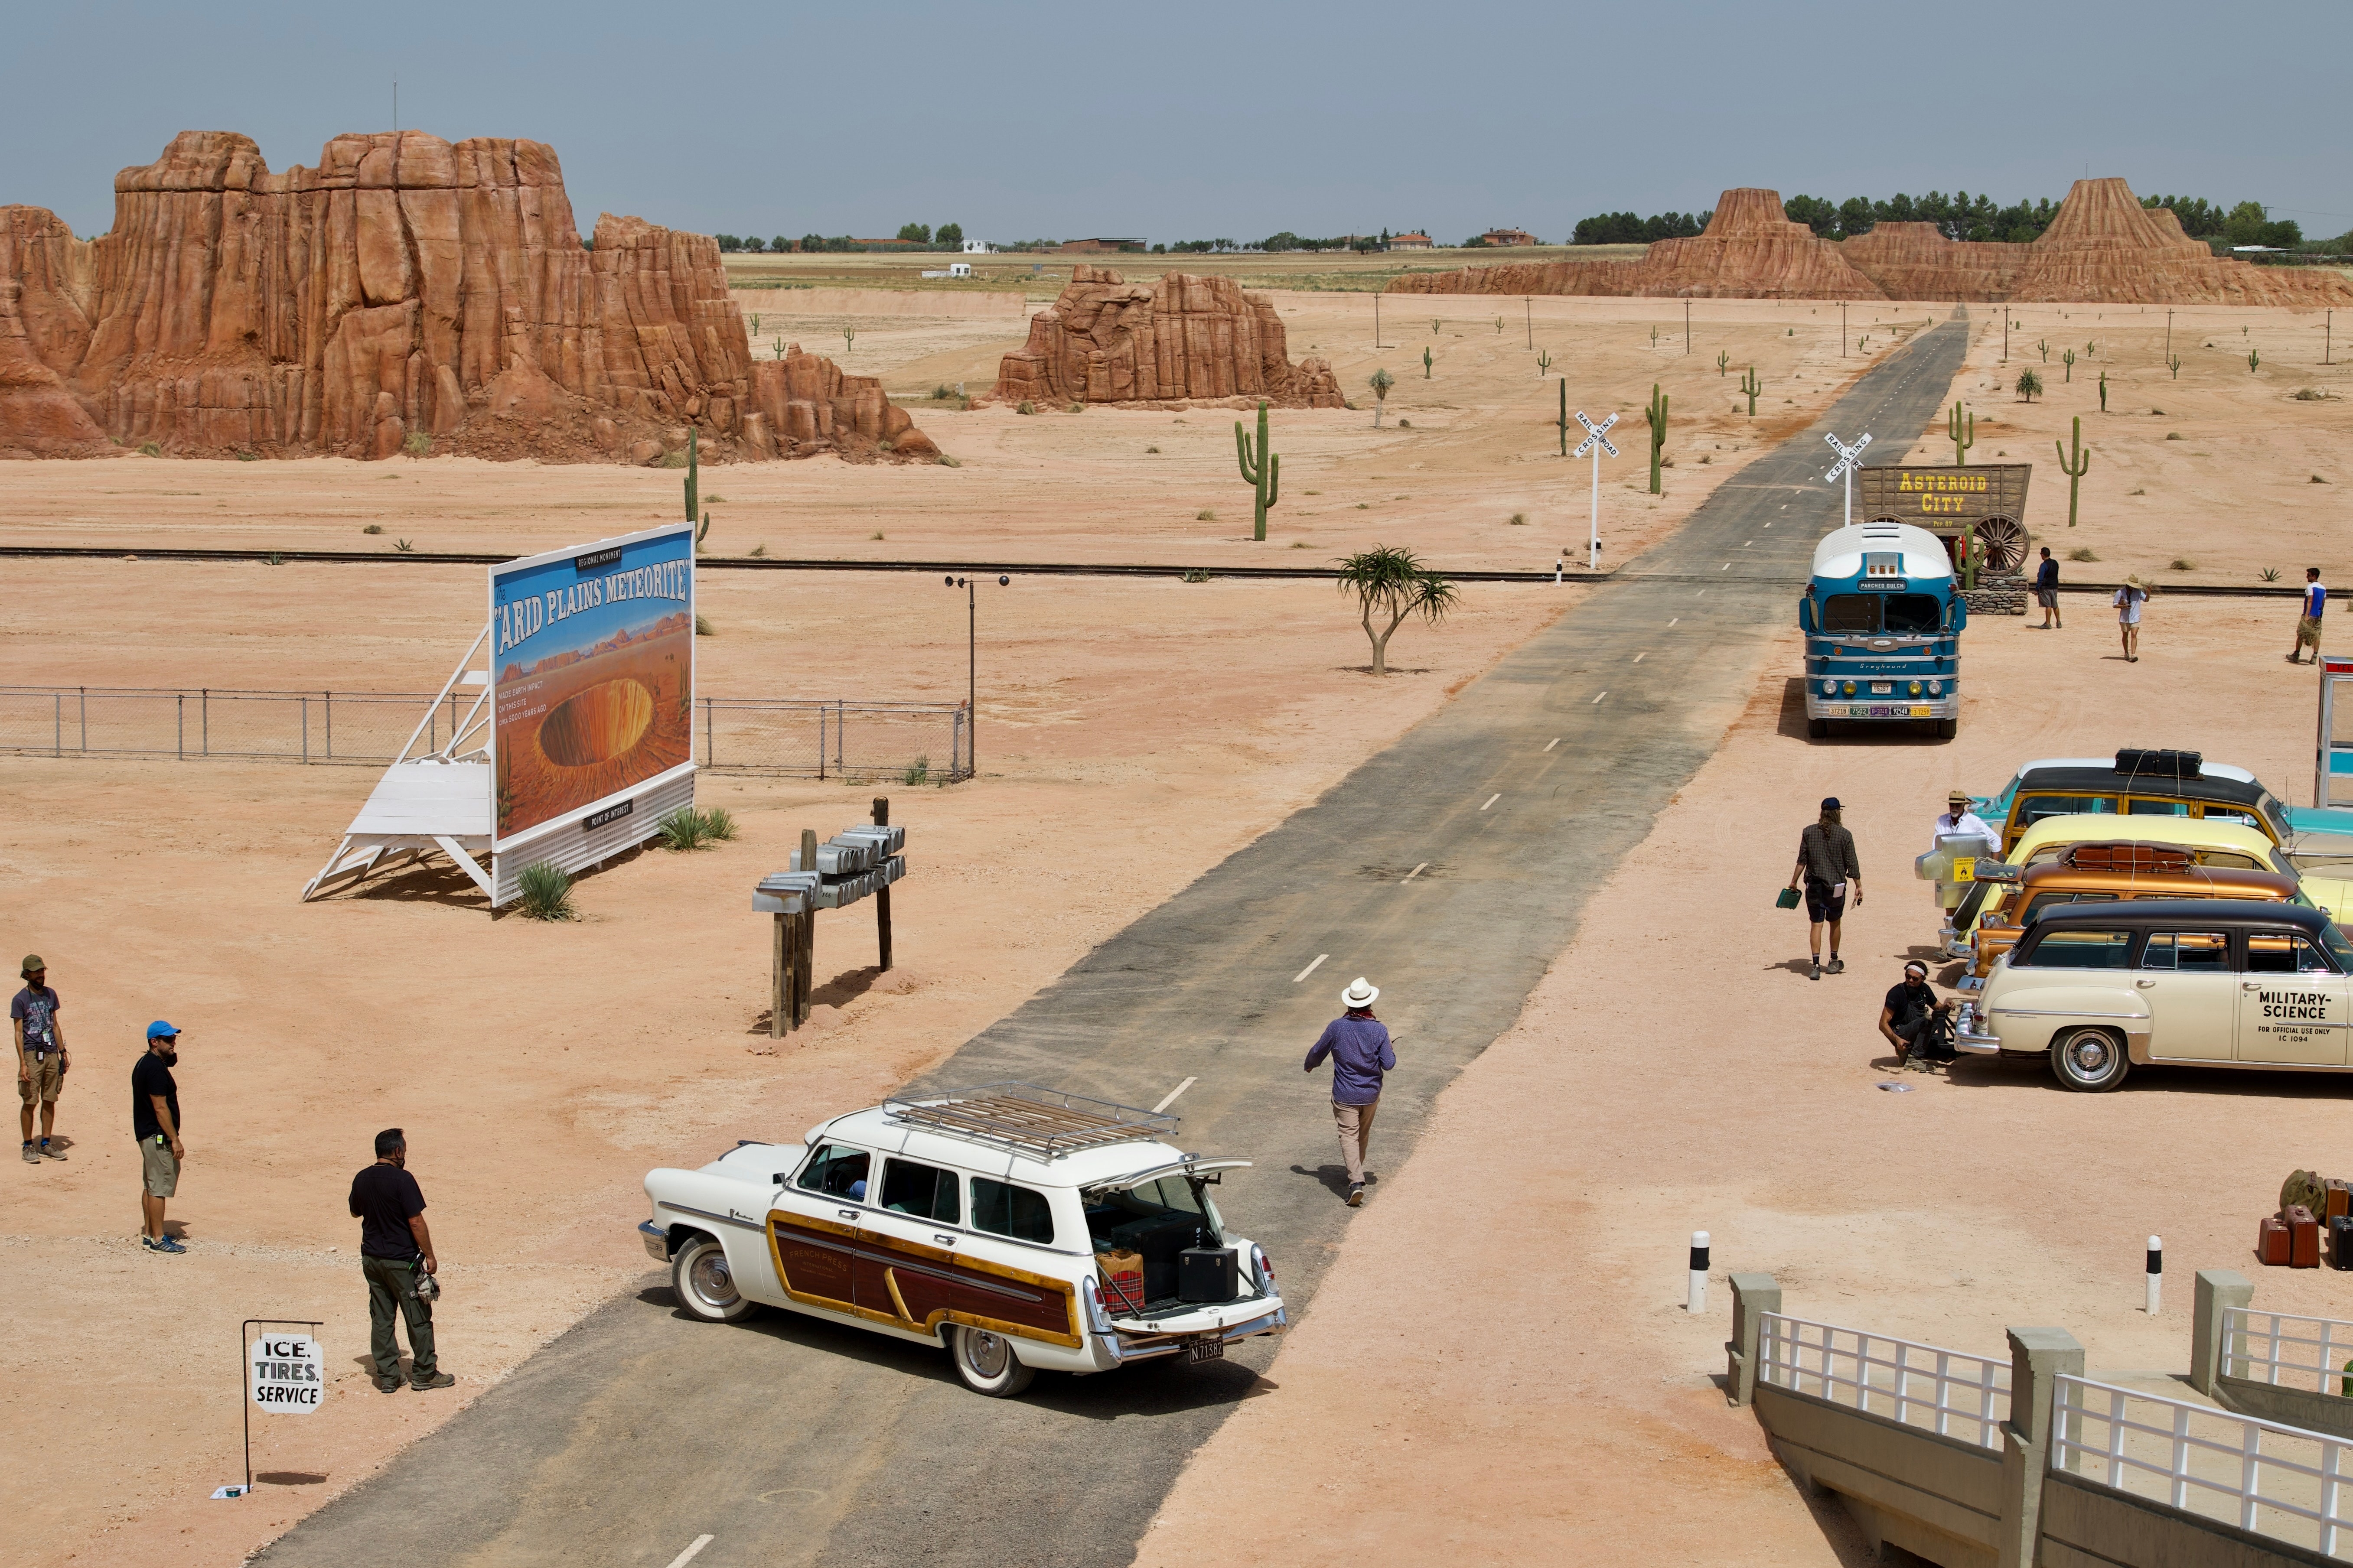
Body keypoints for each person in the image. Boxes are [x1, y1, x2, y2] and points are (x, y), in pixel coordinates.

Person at [349, 1128, 452, 1392]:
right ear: (397, 1152)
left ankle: (388, 1377)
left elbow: (355, 1212)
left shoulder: (361, 1178)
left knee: (382, 1317)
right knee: (418, 1316)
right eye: (404, 1151)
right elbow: (416, 1221)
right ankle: (425, 1373)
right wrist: (429, 1255)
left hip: (372, 1261)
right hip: (401, 1262)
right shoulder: (403, 1179)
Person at [1304, 977, 1395, 1208]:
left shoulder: (1337, 1027)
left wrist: (1310, 1064)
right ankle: (1356, 1174)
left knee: (1348, 1135)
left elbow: (1318, 1051)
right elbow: (1389, 1063)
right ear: (1370, 1004)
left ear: (1350, 1004)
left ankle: (1356, 1182)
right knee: (1361, 1135)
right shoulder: (1379, 1029)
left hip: (1345, 1094)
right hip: (1371, 1094)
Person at [1788, 797, 1862, 981]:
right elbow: (1852, 864)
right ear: (1838, 813)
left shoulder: (1809, 832)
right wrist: (1859, 886)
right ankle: (1833, 960)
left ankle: (1815, 966)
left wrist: (1794, 881)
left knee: (1816, 924)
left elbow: (1802, 860)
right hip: (1836, 887)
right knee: (1835, 922)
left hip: (1814, 886)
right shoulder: (1845, 835)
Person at [131, 1020, 184, 1253]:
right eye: (168, 1039)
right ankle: (158, 1239)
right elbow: (161, 1108)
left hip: (148, 1134)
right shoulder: (154, 1069)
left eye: (174, 1038)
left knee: (150, 1185)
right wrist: (175, 1139)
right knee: (159, 1187)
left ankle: (150, 1233)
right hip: (157, 1136)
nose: (174, 1043)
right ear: (155, 1042)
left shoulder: (146, 1063)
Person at [14, 955, 68, 1164]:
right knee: (30, 1101)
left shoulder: (50, 995)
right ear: (27, 975)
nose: (41, 975)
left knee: (50, 1098)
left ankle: (46, 1144)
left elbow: (54, 1025)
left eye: (42, 971)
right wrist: (23, 1064)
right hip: (31, 1054)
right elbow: (19, 1033)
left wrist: (63, 1053)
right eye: (37, 972)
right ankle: (28, 1146)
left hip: (51, 1053)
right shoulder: (20, 999)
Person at [1879, 961, 1956, 1070]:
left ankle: (1908, 1053)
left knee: (1951, 1054)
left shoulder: (1924, 989)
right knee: (1929, 1020)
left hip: (1919, 1034)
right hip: (1901, 1032)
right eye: (1908, 977)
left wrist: (1947, 1007)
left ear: (1922, 979)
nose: (1910, 981)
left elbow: (1939, 1009)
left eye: (1915, 979)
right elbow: (1883, 1024)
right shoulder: (1896, 993)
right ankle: (1914, 1059)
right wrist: (1897, 1040)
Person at [1932, 791, 1999, 857]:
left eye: (1958, 805)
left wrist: (1994, 865)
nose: (1954, 808)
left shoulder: (1974, 821)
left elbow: (1996, 840)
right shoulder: (1942, 821)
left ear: (1963, 805)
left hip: (1968, 863)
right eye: (1952, 805)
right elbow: (1936, 846)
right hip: (1947, 862)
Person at [2289, 568, 2326, 664]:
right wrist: (2320, 615)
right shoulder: (2323, 588)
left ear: (2314, 576)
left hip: (2309, 616)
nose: (2307, 577)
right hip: (2318, 617)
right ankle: (2314, 657)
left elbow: (2310, 601)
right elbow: (2323, 603)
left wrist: (2306, 616)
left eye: (2309, 575)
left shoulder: (2310, 587)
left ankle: (2296, 655)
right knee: (2317, 636)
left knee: (2301, 634)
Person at [2114, 581, 2147, 662]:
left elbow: (2146, 600)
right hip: (2124, 618)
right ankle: (2126, 653)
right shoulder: (2120, 593)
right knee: (2125, 635)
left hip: (2135, 617)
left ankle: (2133, 655)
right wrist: (2123, 606)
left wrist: (2149, 592)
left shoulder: (2138, 592)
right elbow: (2115, 605)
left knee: (2134, 635)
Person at [2034, 547, 2061, 630]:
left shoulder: (2044, 565)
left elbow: (2041, 578)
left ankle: (2048, 624)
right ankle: (2058, 622)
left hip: (2046, 588)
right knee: (2055, 605)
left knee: (2048, 606)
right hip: (2055, 587)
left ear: (2043, 555)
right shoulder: (2055, 563)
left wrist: (2037, 589)